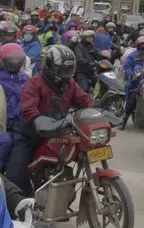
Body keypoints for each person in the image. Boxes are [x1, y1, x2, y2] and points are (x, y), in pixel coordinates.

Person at [6, 46, 93, 193]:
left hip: (58, 132)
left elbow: (84, 100)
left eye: (68, 71)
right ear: (50, 67)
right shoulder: (34, 83)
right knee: (15, 173)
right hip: (30, 135)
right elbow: (29, 110)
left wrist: (96, 111)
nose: (65, 75)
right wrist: (41, 122)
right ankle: (21, 205)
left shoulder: (70, 84)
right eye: (61, 71)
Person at [0, 44, 29, 170]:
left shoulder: (27, 79)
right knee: (6, 141)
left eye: (18, 60)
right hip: (5, 125)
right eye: (10, 60)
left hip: (23, 123)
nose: (15, 63)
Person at [120, 36, 144, 129]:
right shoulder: (133, 55)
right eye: (141, 44)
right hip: (137, 81)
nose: (143, 46)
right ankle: (125, 118)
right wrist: (131, 75)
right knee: (131, 94)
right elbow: (127, 66)